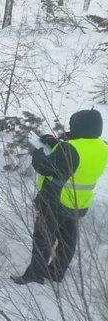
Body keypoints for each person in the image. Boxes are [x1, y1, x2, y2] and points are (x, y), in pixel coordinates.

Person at [12, 109, 108, 285]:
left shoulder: (70, 148)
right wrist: (56, 142)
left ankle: (35, 274)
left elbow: (44, 166)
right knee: (67, 240)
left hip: (56, 200)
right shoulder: (102, 147)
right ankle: (56, 272)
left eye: (73, 125)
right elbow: (76, 157)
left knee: (43, 238)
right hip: (79, 203)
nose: (70, 128)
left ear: (81, 127)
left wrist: (38, 150)